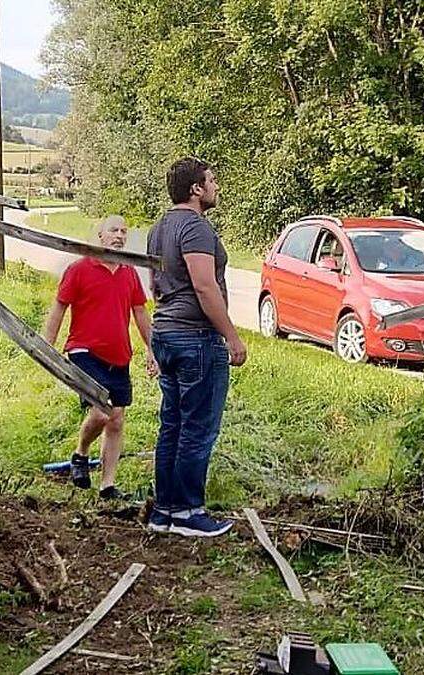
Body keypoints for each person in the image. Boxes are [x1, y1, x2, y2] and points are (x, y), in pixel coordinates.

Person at [146, 157, 248, 538]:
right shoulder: (196, 228)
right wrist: (232, 337)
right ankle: (189, 511)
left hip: (166, 333)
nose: (216, 187)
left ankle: (164, 512)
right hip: (195, 338)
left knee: (171, 424)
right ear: (196, 189)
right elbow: (205, 286)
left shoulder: (159, 229)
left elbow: (154, 284)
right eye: (212, 181)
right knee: (197, 427)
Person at [42, 215, 157, 499]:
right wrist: (46, 346)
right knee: (101, 410)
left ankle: (107, 485)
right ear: (100, 236)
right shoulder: (79, 268)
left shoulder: (129, 272)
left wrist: (152, 350)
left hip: (119, 355)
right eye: (113, 230)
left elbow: (140, 313)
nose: (119, 236)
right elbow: (59, 307)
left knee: (116, 419)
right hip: (84, 350)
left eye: (124, 231)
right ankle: (81, 454)